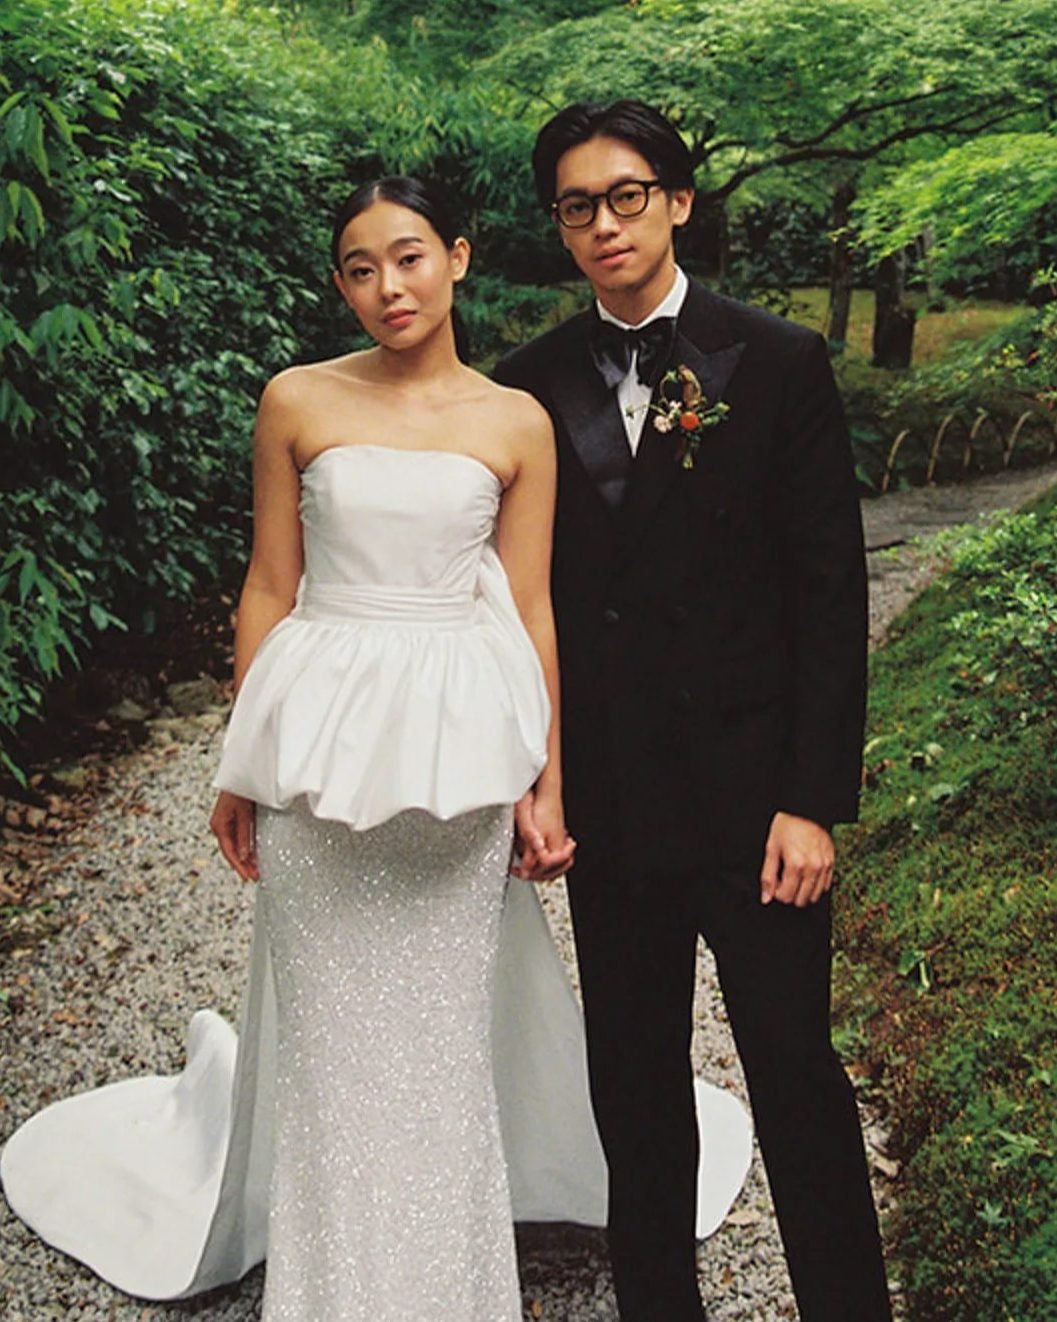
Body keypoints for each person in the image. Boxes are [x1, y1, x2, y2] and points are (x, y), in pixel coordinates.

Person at [1, 174, 752, 1319]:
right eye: (360, 268)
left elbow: (532, 608)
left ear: (455, 257)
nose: (387, 286)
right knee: (329, 1041)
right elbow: (269, 584)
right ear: (340, 285)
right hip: (320, 746)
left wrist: (545, 783)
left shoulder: (514, 419)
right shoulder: (296, 399)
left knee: (441, 1043)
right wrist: (241, 762)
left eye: (407, 257)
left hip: (454, 756)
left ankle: (451, 1285)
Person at [495, 100, 893, 1322]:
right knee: (633, 1087)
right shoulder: (526, 384)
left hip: (754, 801)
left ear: (674, 201)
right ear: (559, 225)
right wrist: (535, 779)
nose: (604, 224)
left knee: (795, 1073)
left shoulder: (776, 361)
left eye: (626, 196)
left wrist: (812, 800)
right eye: (577, 205)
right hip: (615, 802)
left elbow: (829, 592)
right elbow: (515, 606)